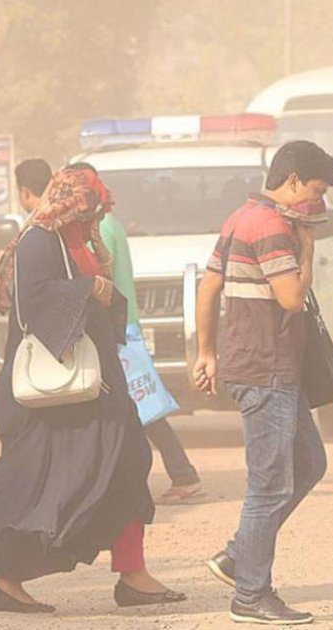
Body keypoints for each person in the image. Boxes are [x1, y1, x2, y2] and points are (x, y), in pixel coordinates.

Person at [0, 168, 186, 614]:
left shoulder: (76, 242)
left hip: (96, 392)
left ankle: (133, 574)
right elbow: (33, 300)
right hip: (58, 400)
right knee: (51, 487)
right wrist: (90, 287)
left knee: (127, 465)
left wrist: (99, 280)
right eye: (90, 208)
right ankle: (3, 569)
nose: (95, 218)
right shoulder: (40, 240)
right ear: (70, 203)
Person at [192, 140, 333, 625]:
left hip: (256, 365)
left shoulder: (239, 218)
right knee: (270, 485)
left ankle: (240, 555)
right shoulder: (276, 228)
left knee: (310, 463)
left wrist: (208, 352)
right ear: (293, 180)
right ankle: (251, 595)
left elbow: (208, 287)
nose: (314, 203)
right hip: (267, 368)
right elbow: (292, 297)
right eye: (314, 191)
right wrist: (309, 247)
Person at [66, 162, 204, 504]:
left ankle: (183, 473)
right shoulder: (110, 223)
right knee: (137, 407)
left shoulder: (99, 227)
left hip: (117, 329)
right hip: (124, 326)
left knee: (143, 408)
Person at [0, 158, 54, 481]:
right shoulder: (45, 225)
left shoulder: (39, 229)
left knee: (10, 401)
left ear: (24, 192)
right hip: (36, 331)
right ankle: (13, 471)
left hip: (32, 332)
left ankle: (15, 475)